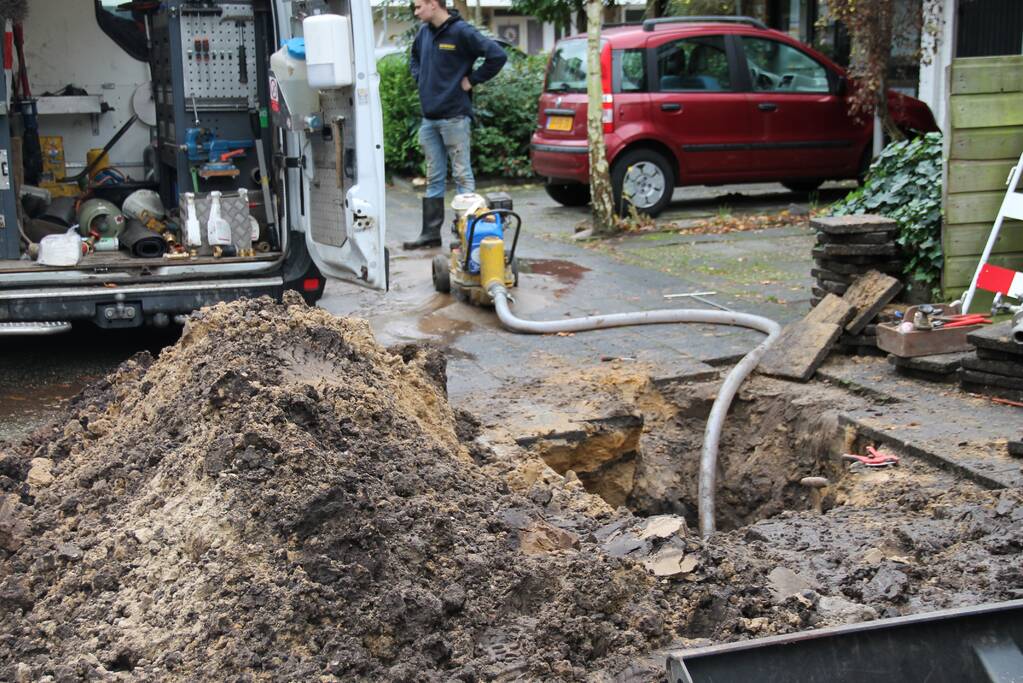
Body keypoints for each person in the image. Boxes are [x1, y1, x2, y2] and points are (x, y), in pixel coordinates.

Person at [403, 0, 507, 250]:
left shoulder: (462, 32)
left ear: (433, 4)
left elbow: (497, 55)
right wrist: (421, 79)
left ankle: (466, 233)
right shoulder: (423, 33)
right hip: (429, 119)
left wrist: (472, 80)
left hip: (454, 117)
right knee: (434, 177)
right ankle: (430, 235)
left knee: (462, 175)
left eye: (419, 7)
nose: (416, 12)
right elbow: (414, 59)